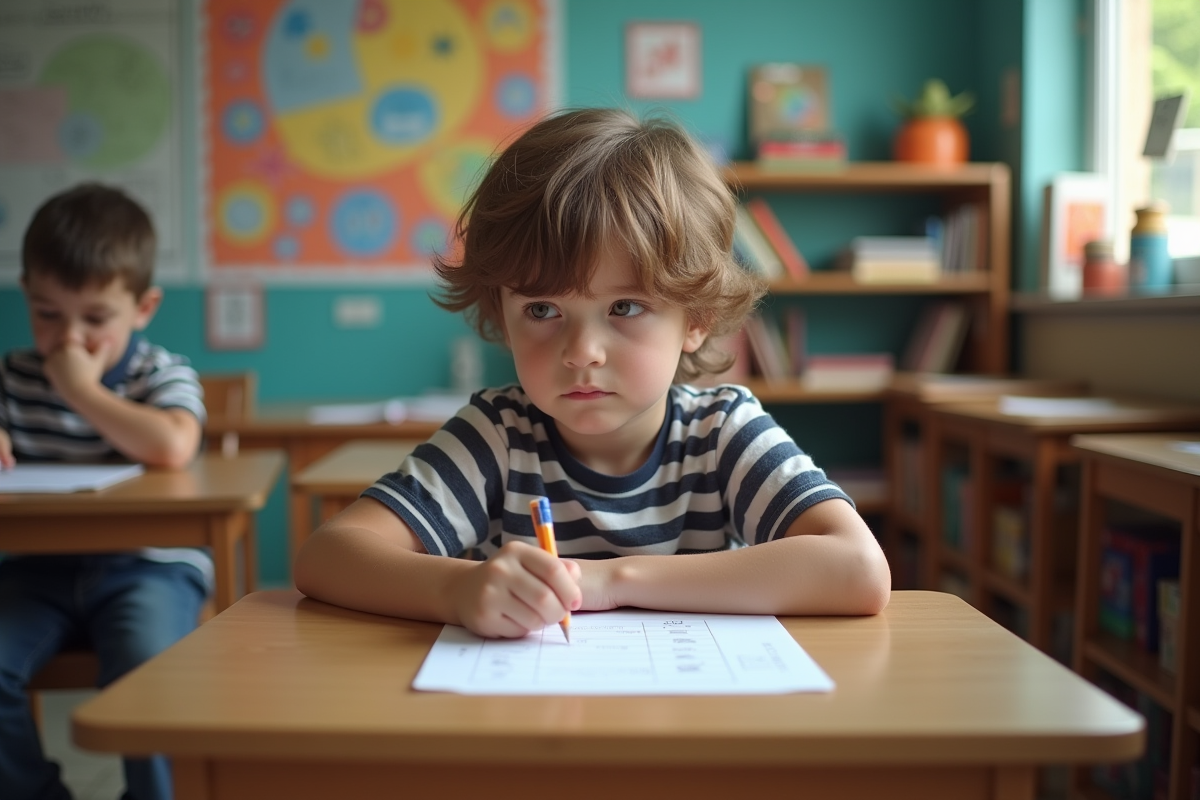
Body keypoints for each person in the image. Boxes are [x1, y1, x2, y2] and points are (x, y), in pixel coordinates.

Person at [294, 107, 890, 639]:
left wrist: (612, 581)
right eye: (543, 310)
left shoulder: (721, 430)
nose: (581, 352)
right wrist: (457, 590)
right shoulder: (499, 434)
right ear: (501, 313)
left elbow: (858, 570)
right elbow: (329, 556)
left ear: (697, 319)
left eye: (624, 308)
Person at [0, 183, 209, 800]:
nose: (70, 338)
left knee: (149, 674)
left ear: (143, 307)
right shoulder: (12, 377)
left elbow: (172, 446)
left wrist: (80, 391)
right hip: (38, 572)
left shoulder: (160, 373)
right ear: (27, 299)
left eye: (95, 319)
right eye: (48, 314)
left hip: (148, 567)